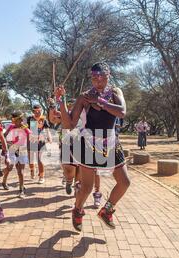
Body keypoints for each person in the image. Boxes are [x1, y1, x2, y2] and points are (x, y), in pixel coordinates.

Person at [57, 62, 131, 231]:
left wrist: (99, 101)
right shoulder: (84, 97)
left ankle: (107, 210)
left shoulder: (115, 92)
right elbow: (69, 124)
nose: (97, 80)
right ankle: (77, 210)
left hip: (111, 142)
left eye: (100, 76)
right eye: (94, 77)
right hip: (90, 143)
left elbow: (122, 112)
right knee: (87, 187)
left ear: (108, 75)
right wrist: (61, 100)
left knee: (125, 182)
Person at [2, 111, 32, 198]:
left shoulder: (25, 128)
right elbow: (4, 135)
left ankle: (21, 189)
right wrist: (8, 141)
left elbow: (31, 137)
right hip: (12, 149)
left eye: (22, 119)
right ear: (15, 120)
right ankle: (4, 181)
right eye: (20, 119)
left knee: (20, 172)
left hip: (22, 150)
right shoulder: (11, 127)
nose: (22, 121)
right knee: (9, 167)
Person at [27, 105, 52, 183]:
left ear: (41, 111)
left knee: (40, 160)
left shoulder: (44, 119)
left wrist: (49, 137)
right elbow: (25, 128)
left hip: (41, 142)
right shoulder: (29, 119)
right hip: (31, 141)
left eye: (39, 111)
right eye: (36, 111)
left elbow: (47, 129)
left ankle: (41, 176)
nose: (38, 112)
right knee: (31, 160)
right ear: (33, 111)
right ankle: (32, 170)